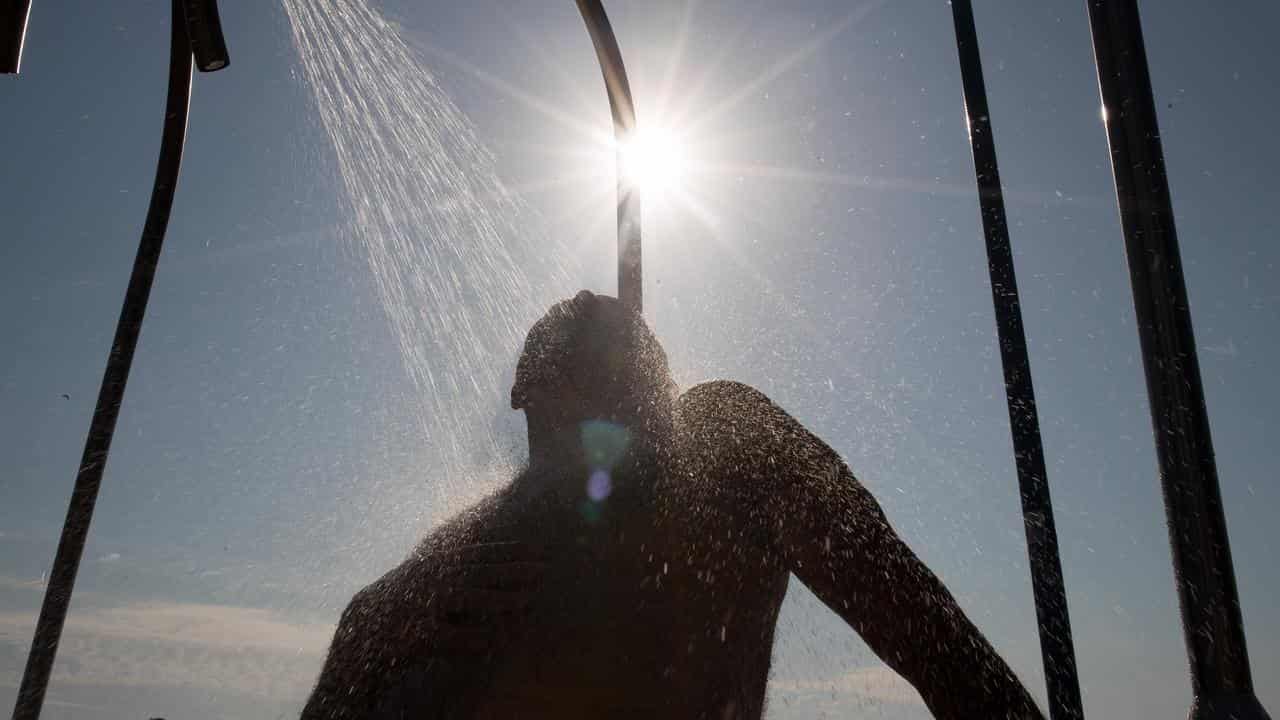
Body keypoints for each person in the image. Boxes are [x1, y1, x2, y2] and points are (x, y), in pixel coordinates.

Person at [301, 290, 1045, 720]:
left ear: (662, 384)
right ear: (529, 400)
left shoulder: (725, 445)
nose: (611, 415)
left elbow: (935, 642)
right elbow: (347, 666)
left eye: (632, 384)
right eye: (585, 389)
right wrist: (388, 614)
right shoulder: (467, 546)